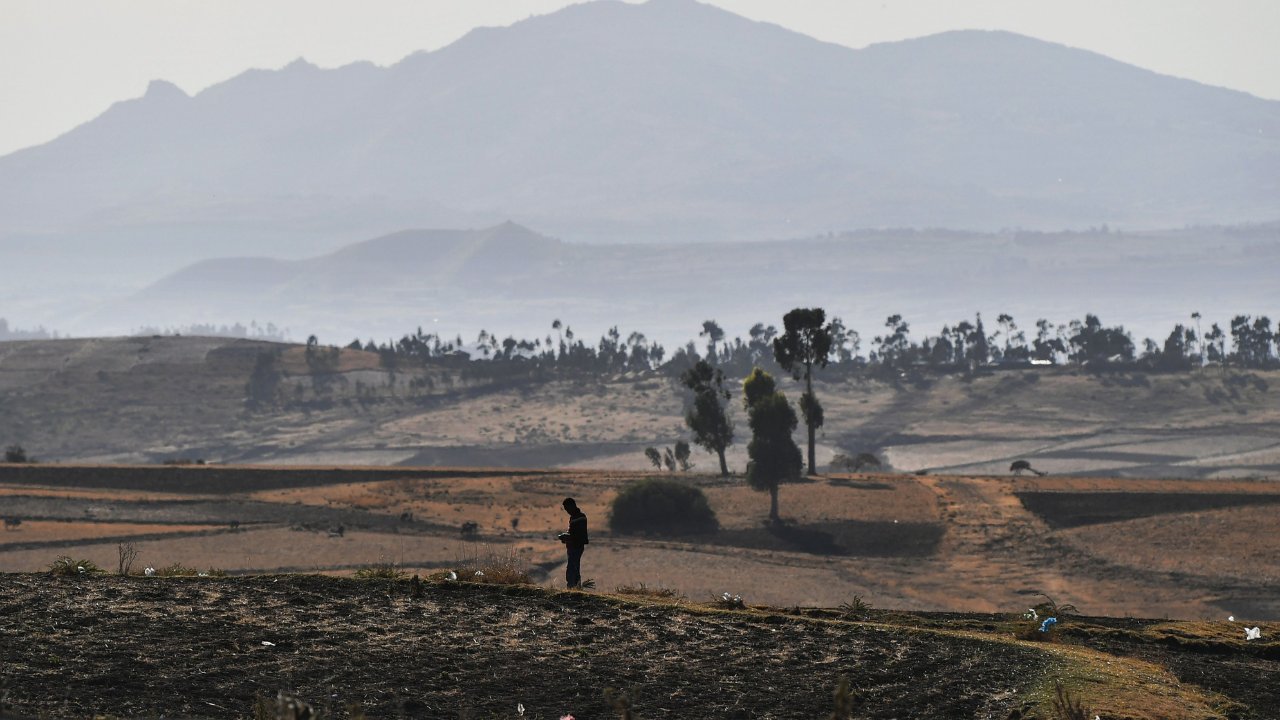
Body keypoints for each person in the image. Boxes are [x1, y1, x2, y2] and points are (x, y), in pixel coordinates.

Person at [557, 497, 588, 588]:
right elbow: (573, 533)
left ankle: (572, 588)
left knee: (571, 569)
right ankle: (576, 588)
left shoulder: (580, 517)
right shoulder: (574, 517)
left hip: (576, 546)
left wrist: (567, 537)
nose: (567, 511)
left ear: (572, 506)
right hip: (573, 546)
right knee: (574, 568)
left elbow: (579, 534)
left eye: (567, 508)